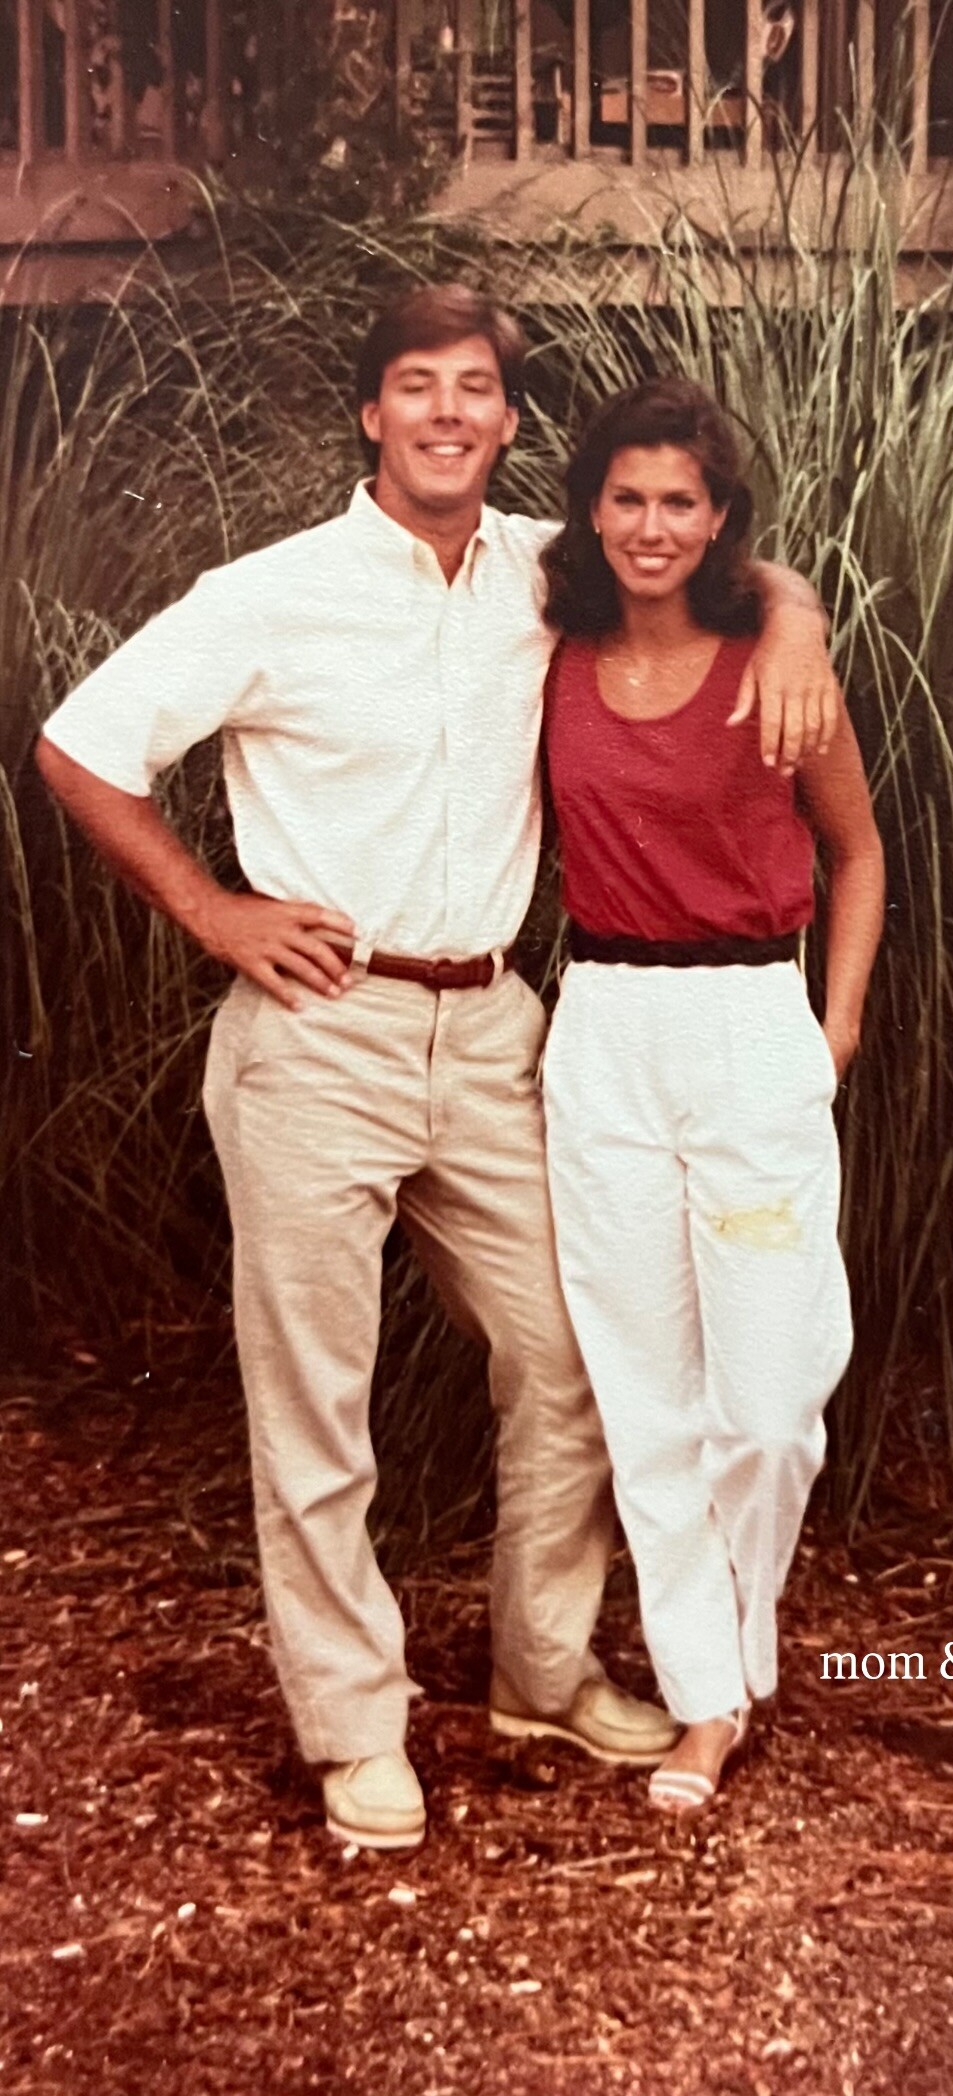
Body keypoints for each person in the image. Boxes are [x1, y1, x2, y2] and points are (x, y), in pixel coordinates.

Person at [35, 286, 841, 1853]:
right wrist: (212, 911)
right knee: (316, 1403)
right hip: (317, 1033)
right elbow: (81, 743)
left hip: (493, 1030)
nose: (449, 413)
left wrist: (797, 614)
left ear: (510, 422)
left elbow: (704, 551)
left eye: (477, 389)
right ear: (371, 412)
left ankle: (542, 1671)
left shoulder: (544, 571)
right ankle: (353, 1725)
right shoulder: (272, 593)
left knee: (572, 1350)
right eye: (418, 386)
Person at [540, 377, 884, 1815]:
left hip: (750, 1023)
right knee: (646, 1392)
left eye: (680, 500)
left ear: (722, 516)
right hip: (607, 1027)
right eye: (626, 497)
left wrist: (834, 1031)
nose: (651, 526)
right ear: (590, 509)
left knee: (770, 1401)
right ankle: (708, 1693)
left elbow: (859, 853)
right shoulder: (551, 648)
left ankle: (742, 1640)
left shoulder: (776, 667)